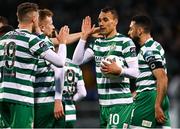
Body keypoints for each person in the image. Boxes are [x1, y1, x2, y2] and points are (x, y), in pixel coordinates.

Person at [0, 2, 67, 128]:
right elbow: (59, 62)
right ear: (34, 19)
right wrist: (62, 43)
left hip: (3, 96)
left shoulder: (4, 38)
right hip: (21, 98)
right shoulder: (31, 39)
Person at [72, 7, 139, 128]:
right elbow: (76, 61)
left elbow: (136, 72)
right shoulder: (97, 43)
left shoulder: (125, 42)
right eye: (99, 20)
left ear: (115, 21)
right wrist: (84, 36)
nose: (101, 23)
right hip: (103, 105)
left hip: (120, 104)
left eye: (105, 19)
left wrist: (120, 71)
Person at [128, 15, 171, 128]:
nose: (129, 32)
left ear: (140, 30)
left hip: (149, 100)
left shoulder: (149, 49)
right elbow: (150, 78)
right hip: (158, 96)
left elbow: (162, 77)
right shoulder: (155, 46)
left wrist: (156, 105)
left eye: (131, 29)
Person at [54, 58, 87, 128]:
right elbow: (83, 93)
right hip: (71, 113)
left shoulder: (51, 62)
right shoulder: (76, 67)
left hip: (55, 112)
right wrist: (71, 100)